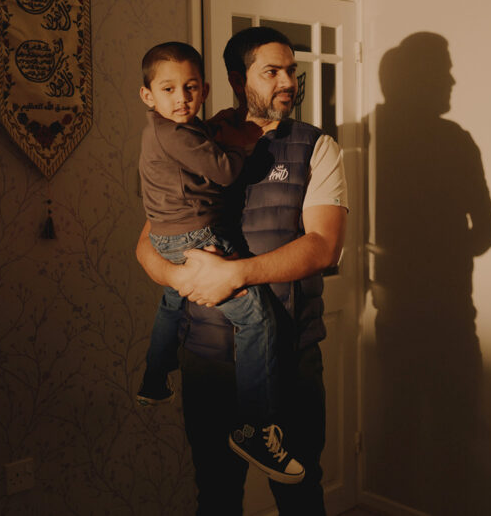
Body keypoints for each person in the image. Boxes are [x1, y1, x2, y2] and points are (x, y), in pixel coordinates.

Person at [136, 28, 348, 515]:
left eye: (291, 70)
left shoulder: (316, 147)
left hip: (289, 358)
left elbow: (323, 247)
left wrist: (234, 275)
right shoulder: (193, 138)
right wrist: (178, 278)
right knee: (215, 494)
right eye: (271, 71)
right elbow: (149, 239)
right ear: (236, 79)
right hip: (206, 358)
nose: (288, 82)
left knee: (299, 495)